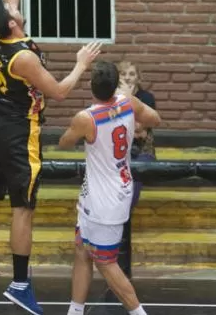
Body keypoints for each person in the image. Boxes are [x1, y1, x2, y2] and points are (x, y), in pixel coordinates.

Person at [0, 0, 102, 315]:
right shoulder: (23, 57)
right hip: (18, 132)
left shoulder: (4, 35)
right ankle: (19, 283)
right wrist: (81, 64)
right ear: (13, 23)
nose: (15, 2)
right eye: (14, 8)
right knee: (23, 207)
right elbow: (59, 92)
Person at [58, 61, 161, 315]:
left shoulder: (86, 118)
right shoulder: (129, 103)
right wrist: (127, 102)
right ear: (116, 85)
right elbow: (155, 119)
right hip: (102, 191)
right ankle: (75, 311)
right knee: (82, 249)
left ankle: (139, 313)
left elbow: (64, 143)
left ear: (91, 87)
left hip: (105, 200)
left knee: (105, 263)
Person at [117, 60, 156, 210]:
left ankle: (123, 215)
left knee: (135, 174)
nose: (127, 78)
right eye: (123, 74)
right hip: (118, 152)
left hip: (142, 152)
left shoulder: (146, 98)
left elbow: (140, 126)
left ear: (138, 77)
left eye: (131, 74)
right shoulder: (111, 98)